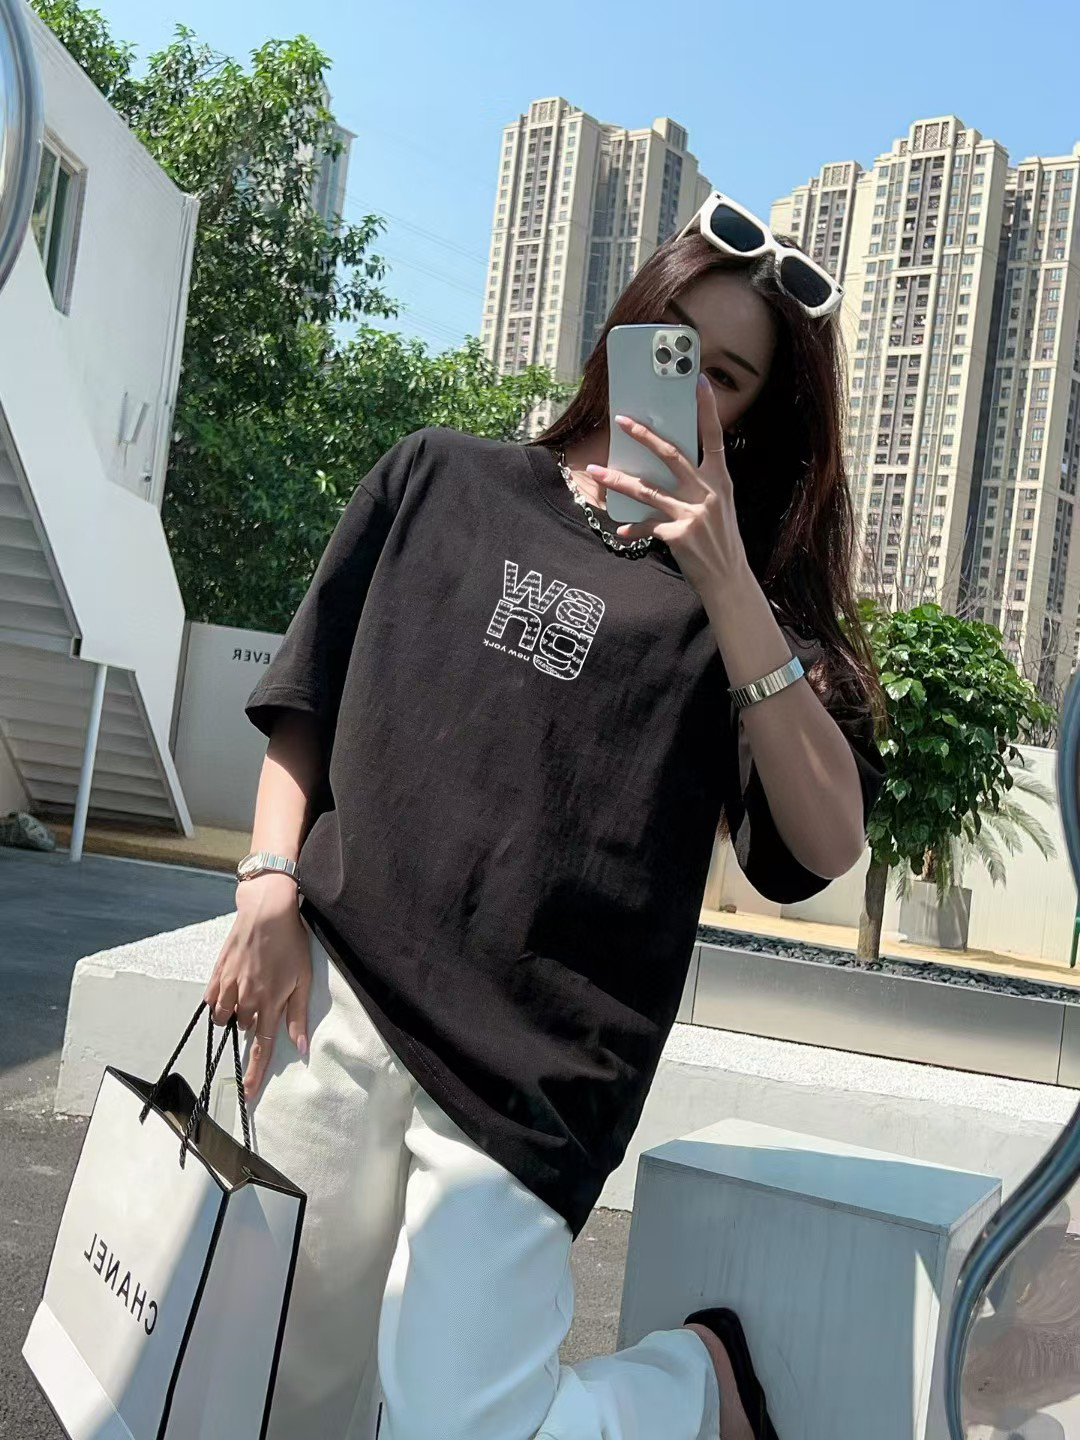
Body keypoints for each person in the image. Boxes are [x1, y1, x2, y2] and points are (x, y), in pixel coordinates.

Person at [205, 190, 885, 1440]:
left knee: (467, 1421)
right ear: (626, 327)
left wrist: (726, 576)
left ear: (756, 416)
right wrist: (265, 881)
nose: (686, 386)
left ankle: (696, 1388)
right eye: (673, 342)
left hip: (535, 1070)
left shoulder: (747, 618)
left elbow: (827, 843)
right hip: (336, 994)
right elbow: (307, 698)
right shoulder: (442, 477)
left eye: (726, 377)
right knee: (271, 1385)